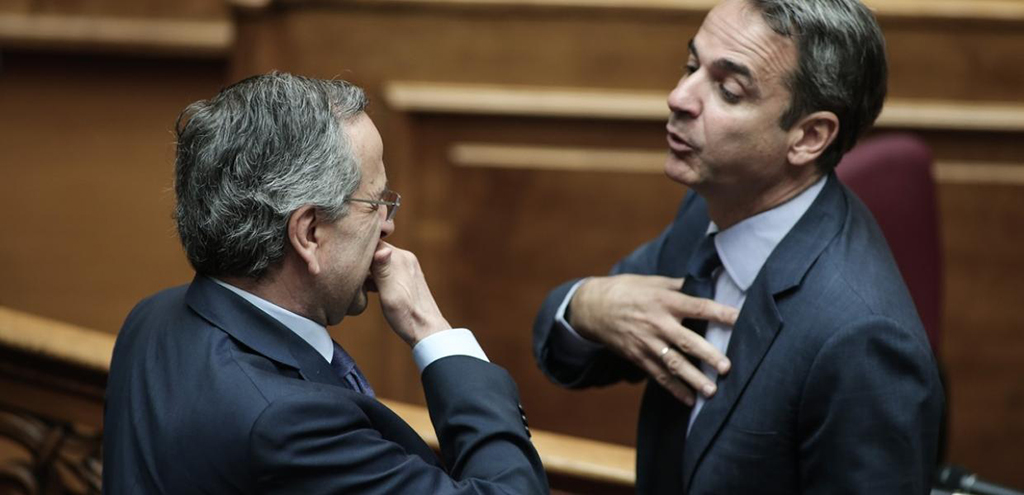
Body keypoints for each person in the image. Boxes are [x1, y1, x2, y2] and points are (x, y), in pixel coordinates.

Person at [533, 0, 944, 493]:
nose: (678, 97)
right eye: (691, 66)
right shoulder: (714, 207)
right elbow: (569, 354)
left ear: (809, 136)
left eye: (728, 90)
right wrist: (586, 305)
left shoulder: (863, 343)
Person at [103, 73, 547, 494]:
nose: (388, 224)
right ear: (310, 233)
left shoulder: (153, 317)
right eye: (375, 202)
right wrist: (431, 330)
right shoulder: (291, 423)